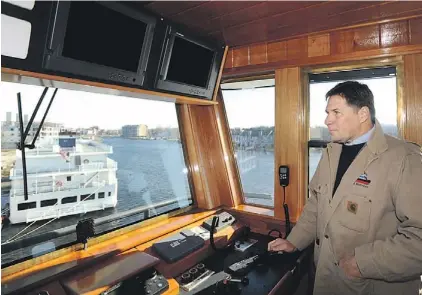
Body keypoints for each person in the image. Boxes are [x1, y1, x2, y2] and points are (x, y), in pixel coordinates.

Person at [268, 81, 422, 295]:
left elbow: (418, 238)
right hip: (326, 280)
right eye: (327, 112)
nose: (327, 120)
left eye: (336, 112)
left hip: (369, 285)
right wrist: (294, 242)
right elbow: (316, 205)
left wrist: (362, 263)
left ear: (363, 114)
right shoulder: (331, 153)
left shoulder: (404, 158)